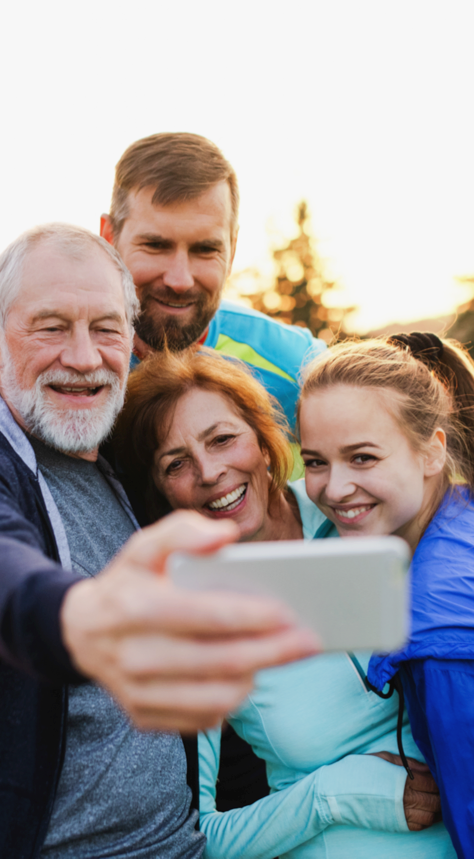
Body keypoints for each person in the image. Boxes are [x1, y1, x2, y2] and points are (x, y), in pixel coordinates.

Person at [0, 224, 319, 859]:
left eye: (106, 328)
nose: (85, 357)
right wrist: (73, 616)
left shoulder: (118, 466)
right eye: (51, 326)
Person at [113, 346, 455, 858]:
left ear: (262, 436)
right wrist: (333, 796)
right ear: (160, 492)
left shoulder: (358, 505)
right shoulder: (194, 615)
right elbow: (199, 836)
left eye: (223, 439)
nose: (209, 472)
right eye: (176, 464)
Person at [0, 132, 324, 440]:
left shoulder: (292, 363)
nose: (179, 279)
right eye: (155, 245)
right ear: (109, 236)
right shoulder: (24, 366)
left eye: (204, 250)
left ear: (232, 247)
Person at [297, 334, 474, 859]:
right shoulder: (459, 513)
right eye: (314, 461)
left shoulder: (438, 640)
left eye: (362, 457)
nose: (334, 487)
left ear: (432, 452)